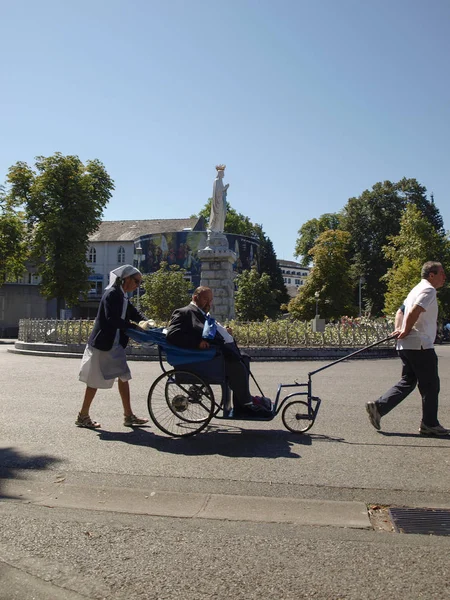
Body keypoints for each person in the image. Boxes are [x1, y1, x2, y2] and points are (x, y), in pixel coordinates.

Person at [366, 261, 449, 436]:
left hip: (406, 345)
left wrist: (400, 330)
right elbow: (415, 311)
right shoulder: (429, 290)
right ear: (431, 275)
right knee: (431, 385)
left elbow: (400, 311)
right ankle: (429, 424)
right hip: (420, 345)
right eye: (442, 273)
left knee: (408, 381)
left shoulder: (416, 289)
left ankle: (379, 407)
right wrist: (404, 329)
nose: (445, 277)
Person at [165, 286, 272, 417]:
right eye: (205, 299)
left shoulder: (202, 313)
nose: (209, 303)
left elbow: (206, 331)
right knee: (236, 365)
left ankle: (242, 404)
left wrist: (224, 334)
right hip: (202, 359)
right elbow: (172, 335)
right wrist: (197, 343)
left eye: (210, 300)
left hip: (216, 354)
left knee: (244, 358)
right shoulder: (185, 312)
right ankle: (246, 405)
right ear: (195, 298)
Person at [76, 264, 150, 429]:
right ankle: (86, 415)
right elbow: (111, 319)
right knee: (103, 379)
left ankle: (126, 415)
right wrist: (132, 326)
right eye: (136, 281)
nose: (137, 285)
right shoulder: (112, 294)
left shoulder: (122, 295)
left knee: (120, 377)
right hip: (105, 344)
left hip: (111, 344)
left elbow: (134, 313)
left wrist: (147, 323)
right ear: (127, 279)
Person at [209, 165, 229, 233]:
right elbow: (217, 191)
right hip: (217, 202)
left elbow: (222, 192)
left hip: (221, 202)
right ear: (219, 174)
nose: (223, 175)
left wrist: (225, 190)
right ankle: (215, 228)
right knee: (217, 216)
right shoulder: (216, 181)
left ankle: (219, 229)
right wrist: (225, 188)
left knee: (221, 216)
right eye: (222, 173)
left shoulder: (221, 181)